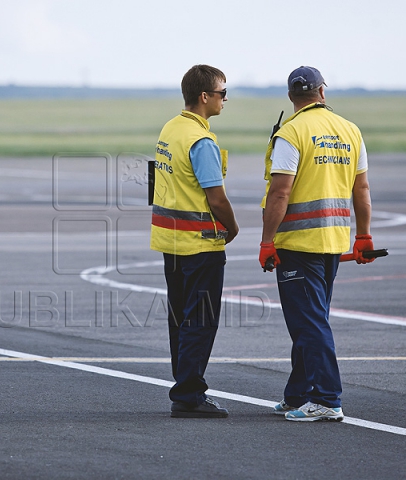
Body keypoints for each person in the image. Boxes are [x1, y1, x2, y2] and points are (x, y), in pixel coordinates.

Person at [259, 66, 376, 422]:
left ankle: (326, 399)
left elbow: (280, 191)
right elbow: (362, 189)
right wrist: (364, 236)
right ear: (322, 92)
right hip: (333, 242)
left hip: (298, 243)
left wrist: (266, 241)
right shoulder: (350, 131)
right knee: (309, 321)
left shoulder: (291, 132)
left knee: (309, 323)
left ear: (292, 98)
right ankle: (298, 396)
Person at [150, 64, 239, 418]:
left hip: (170, 242)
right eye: (222, 93)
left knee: (181, 318)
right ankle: (188, 392)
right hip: (200, 245)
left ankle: (184, 385)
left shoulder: (171, 129)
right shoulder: (201, 141)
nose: (224, 99)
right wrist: (232, 228)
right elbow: (216, 198)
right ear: (205, 96)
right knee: (200, 320)